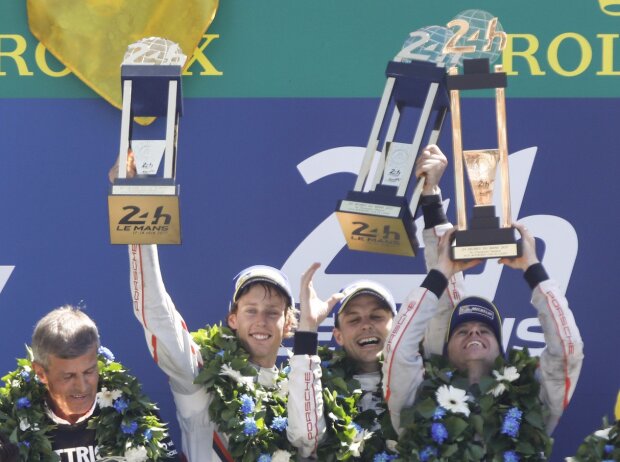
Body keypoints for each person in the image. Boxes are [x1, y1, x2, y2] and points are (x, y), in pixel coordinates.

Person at [286, 145, 466, 459]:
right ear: (338, 336)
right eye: (353, 319)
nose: (366, 323)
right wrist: (307, 332)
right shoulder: (321, 388)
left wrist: (432, 196)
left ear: (397, 327)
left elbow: (448, 303)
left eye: (377, 315)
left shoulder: (425, 376)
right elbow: (305, 437)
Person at [383, 218, 584, 454]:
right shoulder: (417, 400)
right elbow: (398, 352)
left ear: (501, 351)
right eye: (462, 331)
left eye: (485, 330)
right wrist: (441, 273)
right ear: (446, 350)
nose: (474, 332)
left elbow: (567, 351)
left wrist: (533, 268)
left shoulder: (531, 404)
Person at [128, 245, 298, 461]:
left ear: (288, 324)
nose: (261, 321)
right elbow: (159, 317)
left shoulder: (295, 393)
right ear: (233, 319)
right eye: (251, 310)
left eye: (272, 312)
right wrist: (142, 239)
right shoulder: (202, 376)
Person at [1, 306, 179, 462]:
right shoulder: (8, 428)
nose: (82, 386)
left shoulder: (134, 414)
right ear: (41, 373)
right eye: (69, 376)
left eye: (89, 372)